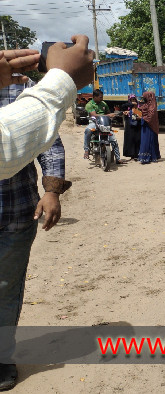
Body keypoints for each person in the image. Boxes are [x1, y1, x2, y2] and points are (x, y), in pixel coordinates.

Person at [0, 80, 72, 391]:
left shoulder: (22, 90)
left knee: (5, 290)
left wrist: (52, 191)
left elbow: (50, 141)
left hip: (14, 212)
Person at [0, 36, 95, 179]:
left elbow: (49, 141)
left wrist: (52, 189)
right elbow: (5, 149)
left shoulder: (22, 84)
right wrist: (61, 79)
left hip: (23, 199)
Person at [83, 89, 127, 164]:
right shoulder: (89, 104)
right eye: (100, 97)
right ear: (95, 97)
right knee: (88, 130)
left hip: (105, 123)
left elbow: (108, 113)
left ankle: (118, 158)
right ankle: (86, 150)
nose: (102, 98)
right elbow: (94, 115)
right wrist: (107, 115)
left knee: (113, 139)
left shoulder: (103, 104)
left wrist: (113, 115)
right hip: (94, 122)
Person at [138, 91, 160, 164]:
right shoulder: (148, 105)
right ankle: (148, 156)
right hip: (146, 125)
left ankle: (146, 158)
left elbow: (150, 117)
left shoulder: (152, 106)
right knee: (146, 141)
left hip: (149, 126)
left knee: (148, 141)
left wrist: (142, 118)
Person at [121, 94, 141, 160]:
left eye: (134, 99)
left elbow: (141, 114)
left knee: (137, 139)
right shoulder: (127, 106)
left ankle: (137, 154)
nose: (133, 101)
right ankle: (131, 154)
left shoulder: (139, 106)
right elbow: (122, 107)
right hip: (129, 125)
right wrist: (130, 106)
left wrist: (133, 111)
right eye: (132, 100)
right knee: (130, 139)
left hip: (137, 124)